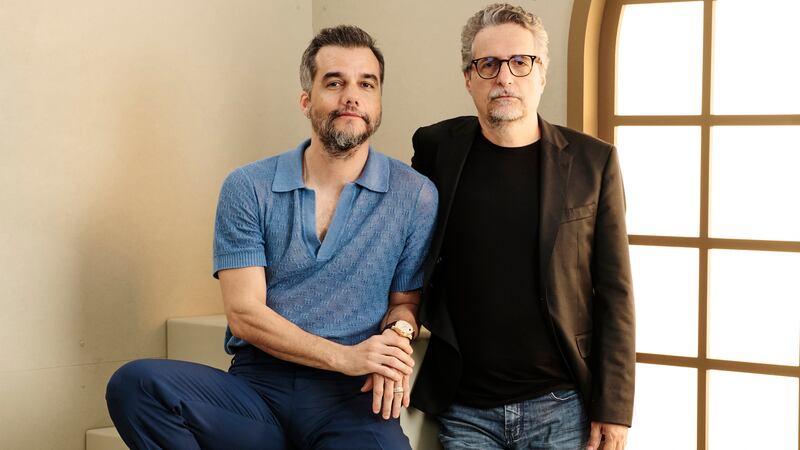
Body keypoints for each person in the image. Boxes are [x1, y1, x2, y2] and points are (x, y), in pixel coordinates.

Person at [105, 25, 437, 450]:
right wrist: (345, 356)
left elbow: (404, 304)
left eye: (366, 84)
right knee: (135, 385)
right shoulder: (248, 186)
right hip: (258, 388)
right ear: (306, 100)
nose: (351, 96)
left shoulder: (415, 194)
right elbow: (244, 312)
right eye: (334, 82)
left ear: (378, 103)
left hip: (349, 400)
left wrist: (397, 336)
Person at [409, 4, 635, 450]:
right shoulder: (437, 150)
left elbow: (615, 292)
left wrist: (614, 408)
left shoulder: (593, 162)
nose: (504, 78)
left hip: (561, 403)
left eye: (520, 62)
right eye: (488, 64)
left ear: (542, 73)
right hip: (466, 408)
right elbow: (401, 242)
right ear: (469, 78)